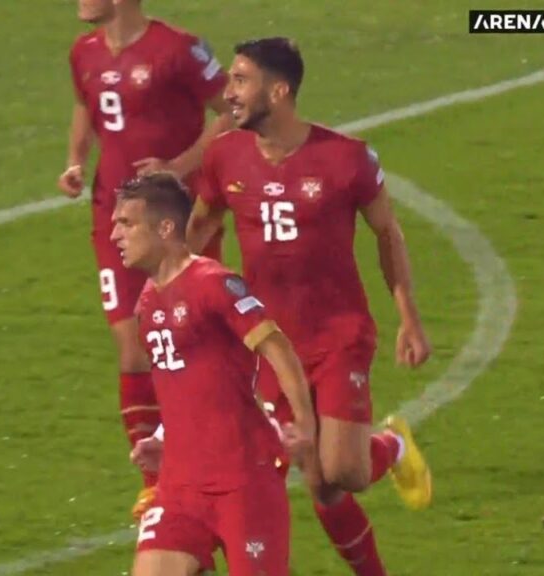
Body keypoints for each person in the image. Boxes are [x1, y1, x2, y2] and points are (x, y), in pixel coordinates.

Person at [185, 38, 434, 576]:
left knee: (343, 470)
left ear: (280, 91)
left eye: (241, 81)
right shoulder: (225, 155)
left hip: (337, 334)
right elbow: (203, 224)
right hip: (271, 344)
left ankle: (387, 446)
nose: (228, 93)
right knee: (315, 478)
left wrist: (408, 317)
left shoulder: (346, 159)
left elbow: (386, 233)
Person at [61, 0, 234, 518]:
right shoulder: (83, 52)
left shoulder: (180, 49)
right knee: (133, 346)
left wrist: (178, 167)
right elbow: (84, 107)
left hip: (177, 218)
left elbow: (230, 110)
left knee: (196, 342)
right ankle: (155, 480)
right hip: (114, 218)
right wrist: (75, 161)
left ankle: (226, 451)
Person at [110, 172, 316, 576]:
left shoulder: (213, 284)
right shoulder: (148, 302)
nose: (115, 234)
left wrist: (305, 420)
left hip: (244, 481)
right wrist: (161, 439)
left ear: (166, 227)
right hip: (180, 486)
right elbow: (185, 385)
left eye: (127, 223)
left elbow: (276, 346)